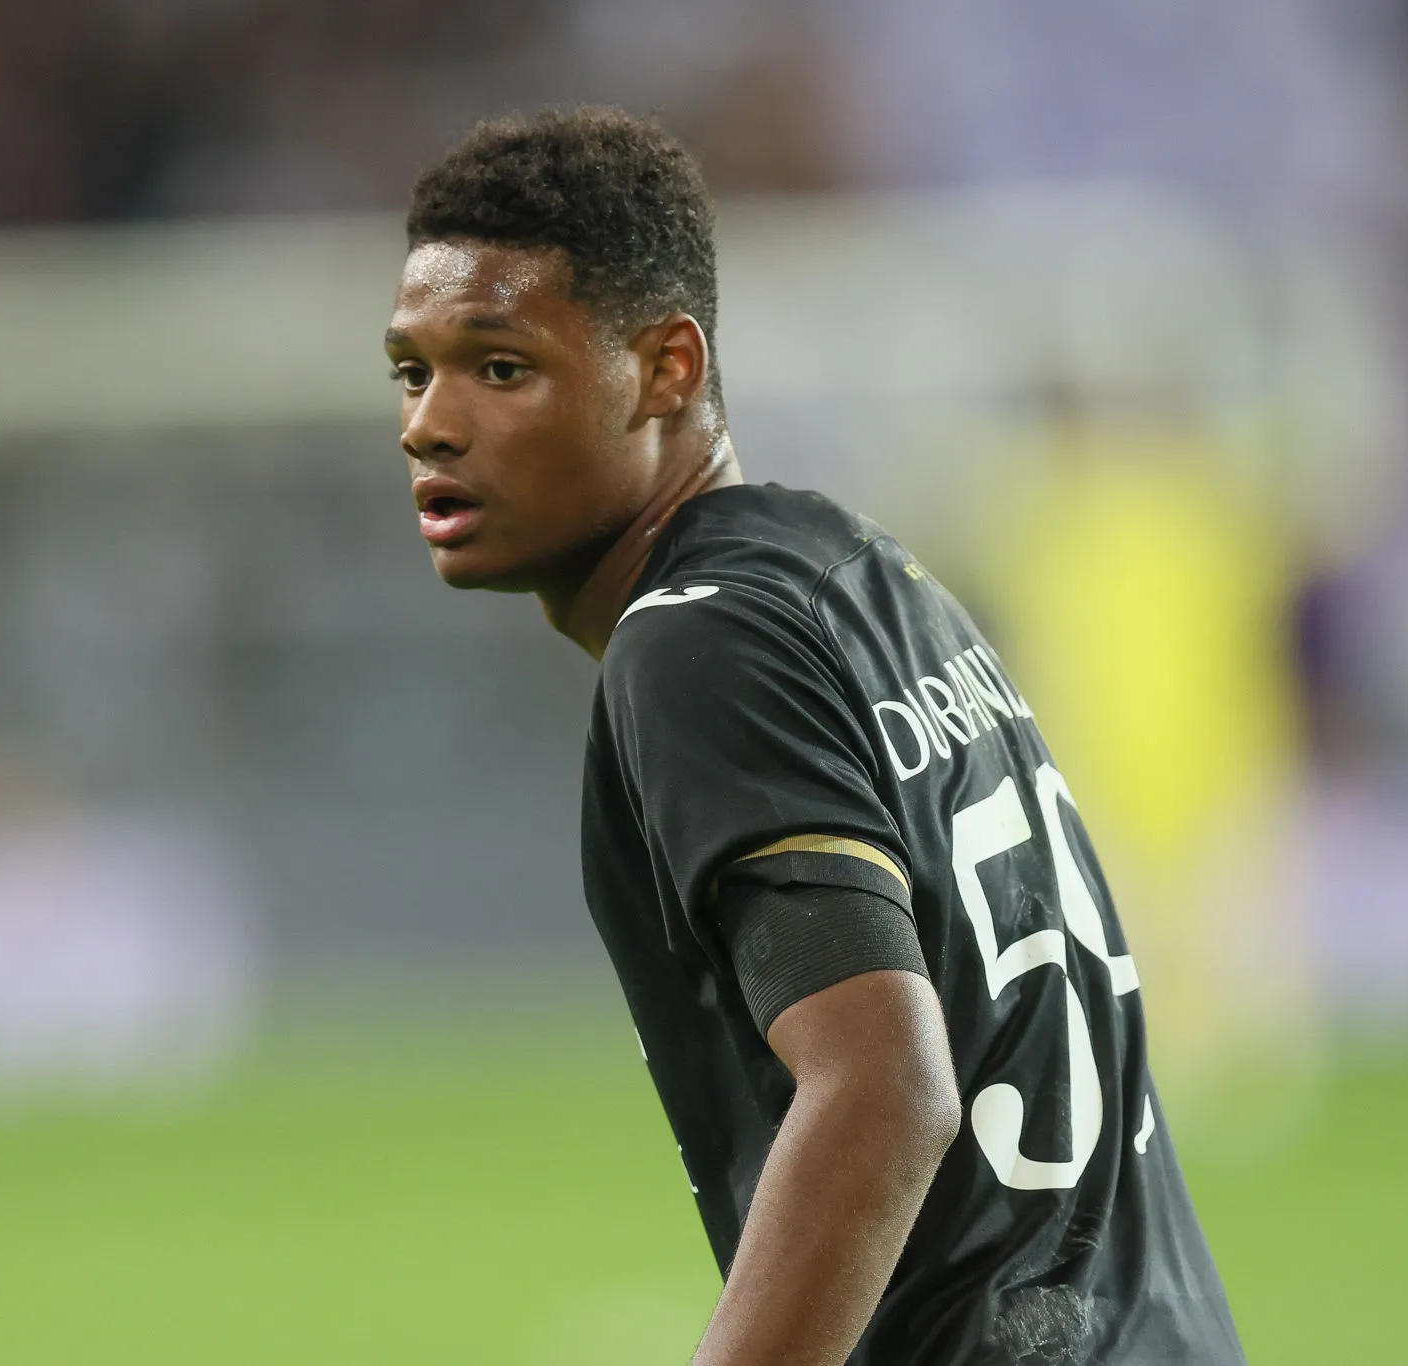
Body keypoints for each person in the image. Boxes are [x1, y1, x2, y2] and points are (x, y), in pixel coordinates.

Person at [382, 108, 1245, 1365]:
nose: (430, 424)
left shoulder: (694, 641)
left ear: (667, 369)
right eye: (411, 373)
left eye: (499, 368)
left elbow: (883, 1089)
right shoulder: (864, 573)